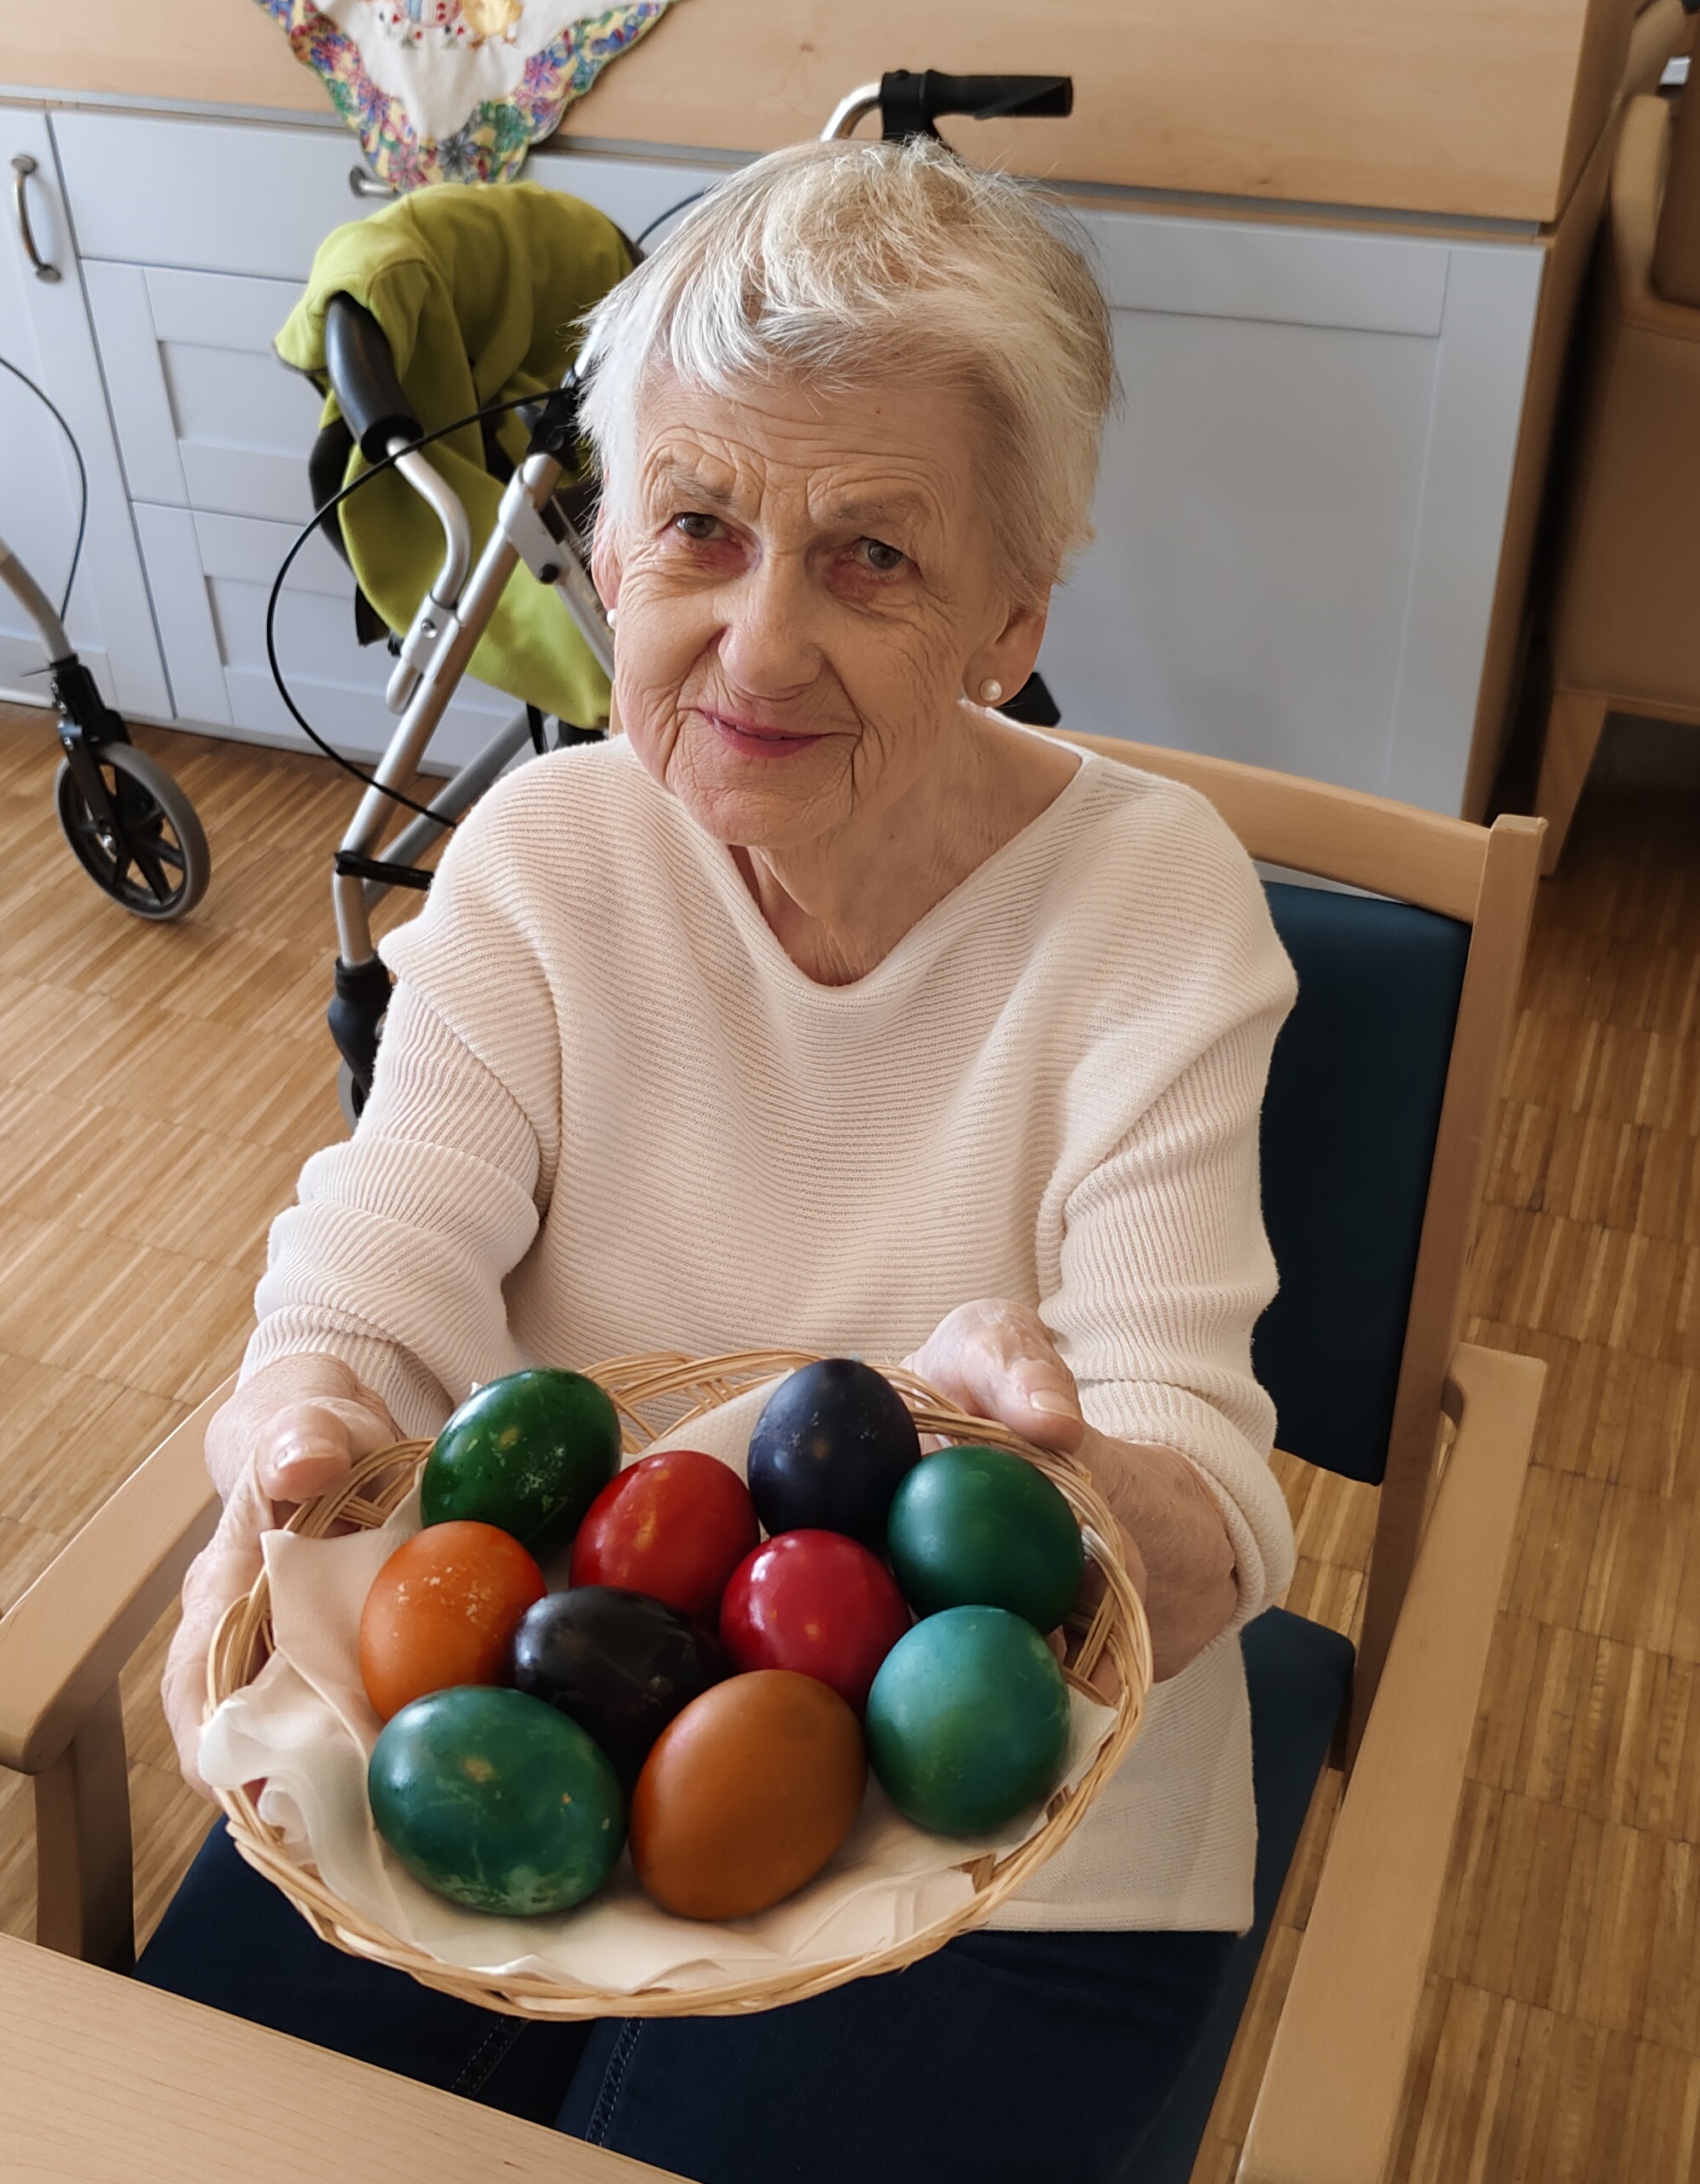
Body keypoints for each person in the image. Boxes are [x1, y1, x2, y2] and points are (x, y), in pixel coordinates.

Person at [146, 135, 1297, 2184]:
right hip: (558, 1696)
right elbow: (379, 1259)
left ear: (1012, 615)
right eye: (698, 526)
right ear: (606, 557)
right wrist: (294, 1424)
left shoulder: (1150, 905)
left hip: (1027, 1833)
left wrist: (1062, 1475)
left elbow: (1198, 1517)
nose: (757, 646)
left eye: (871, 557)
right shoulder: (544, 855)